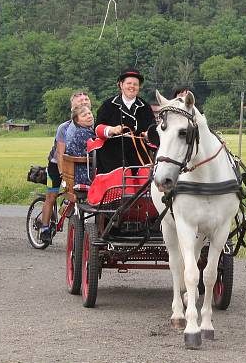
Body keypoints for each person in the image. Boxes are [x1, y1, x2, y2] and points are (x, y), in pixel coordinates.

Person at [40, 91, 92, 242]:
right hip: (57, 165)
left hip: (81, 166)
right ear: (72, 108)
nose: (84, 101)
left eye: (86, 99)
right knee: (52, 195)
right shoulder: (64, 127)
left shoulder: (91, 123)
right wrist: (64, 174)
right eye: (80, 100)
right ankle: (44, 228)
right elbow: (61, 153)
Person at [93, 68, 158, 174]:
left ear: (139, 87)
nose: (132, 86)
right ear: (121, 85)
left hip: (139, 152)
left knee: (145, 176)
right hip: (112, 152)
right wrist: (112, 129)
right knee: (118, 176)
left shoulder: (145, 107)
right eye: (129, 83)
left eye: (135, 84)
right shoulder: (108, 105)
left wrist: (148, 134)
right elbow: (97, 129)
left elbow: (153, 129)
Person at [65, 104, 96, 186]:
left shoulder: (83, 131)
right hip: (86, 176)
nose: (89, 116)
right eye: (84, 115)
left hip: (80, 173)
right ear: (77, 120)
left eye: (89, 113)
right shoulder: (83, 133)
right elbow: (99, 151)